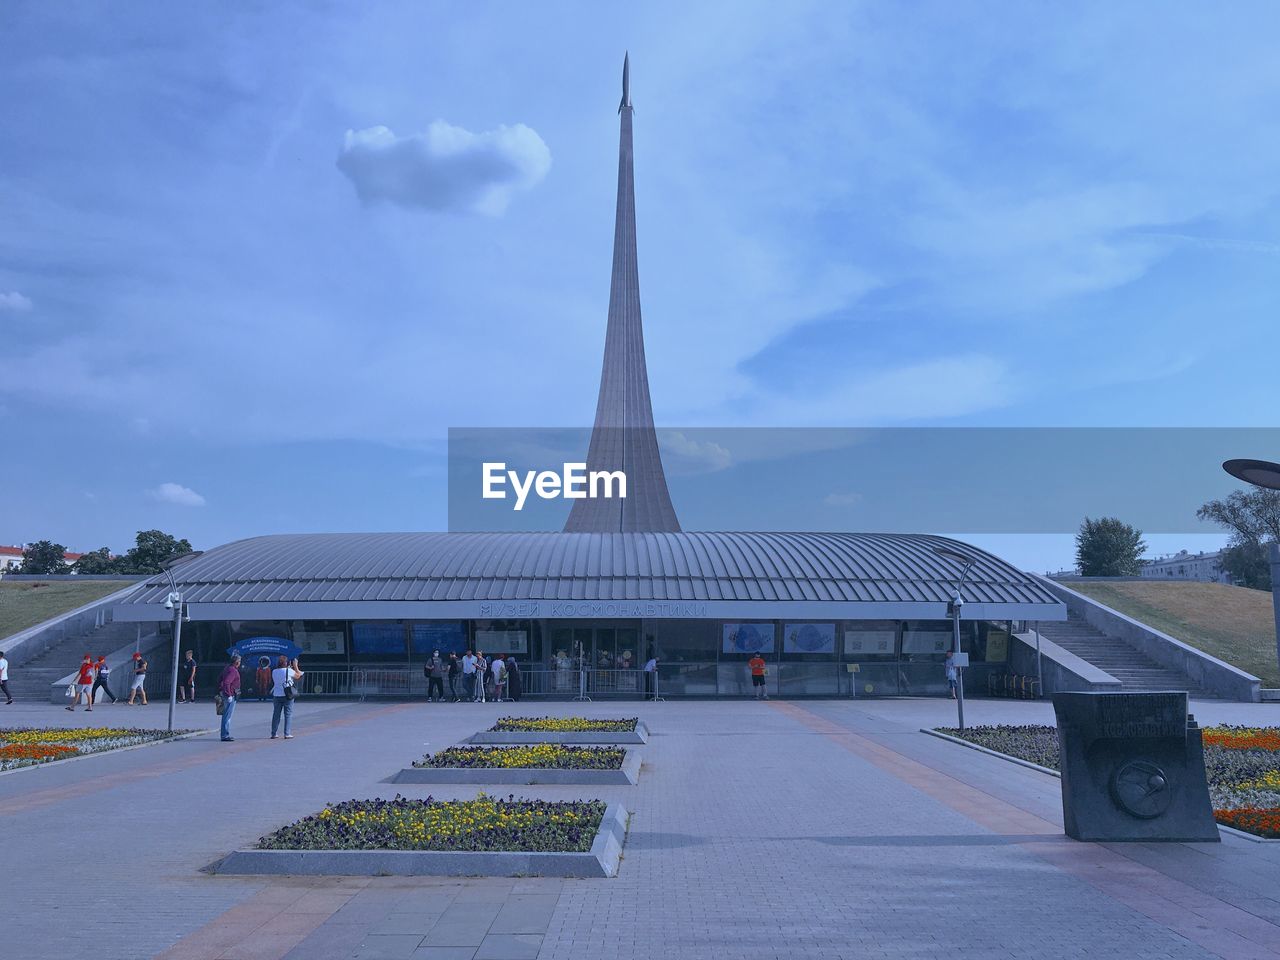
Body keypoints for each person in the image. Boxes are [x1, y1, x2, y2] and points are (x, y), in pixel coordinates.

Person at [270, 655, 303, 739]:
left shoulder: (274, 671)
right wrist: (295, 666)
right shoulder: (289, 670)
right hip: (287, 694)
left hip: (277, 695)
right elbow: (298, 676)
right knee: (288, 714)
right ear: (286, 663)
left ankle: (274, 733)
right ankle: (287, 733)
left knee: (276, 714)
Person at [218, 654, 242, 741]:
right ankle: (225, 735)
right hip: (230, 695)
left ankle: (224, 734)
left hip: (226, 693)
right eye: (239, 662)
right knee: (227, 716)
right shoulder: (233, 671)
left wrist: (220, 689)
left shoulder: (227, 668)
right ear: (236, 662)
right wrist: (229, 694)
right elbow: (227, 682)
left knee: (226, 715)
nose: (240, 663)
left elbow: (220, 679)